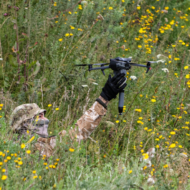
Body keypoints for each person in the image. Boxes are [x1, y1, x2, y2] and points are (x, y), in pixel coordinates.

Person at [9, 73, 127, 157]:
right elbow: (75, 135)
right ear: (25, 124)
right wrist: (103, 99)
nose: (46, 119)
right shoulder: (30, 149)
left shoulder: (19, 147)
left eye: (44, 115)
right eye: (39, 116)